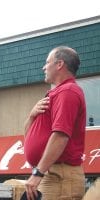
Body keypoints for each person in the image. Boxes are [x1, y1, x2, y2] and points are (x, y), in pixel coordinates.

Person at [24, 46, 86, 200]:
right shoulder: (58, 93)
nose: (44, 67)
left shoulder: (68, 91)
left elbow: (60, 136)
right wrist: (32, 116)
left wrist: (38, 172)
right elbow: (27, 135)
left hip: (60, 176)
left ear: (59, 64)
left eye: (47, 62)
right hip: (51, 173)